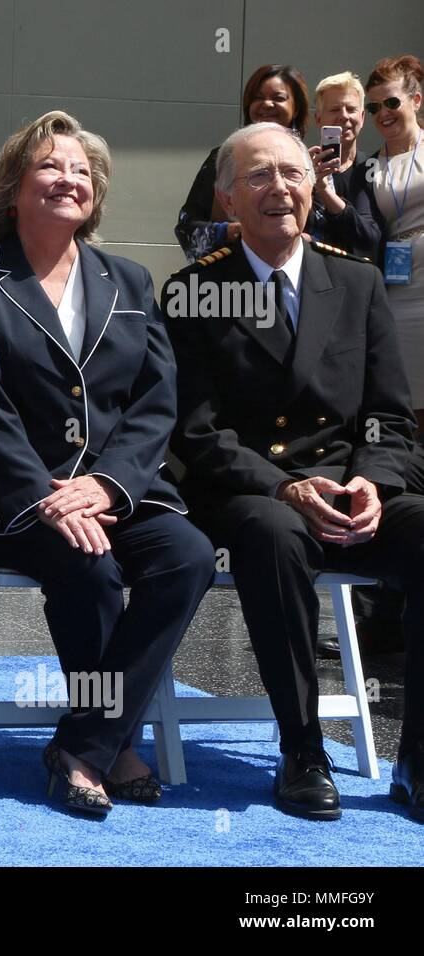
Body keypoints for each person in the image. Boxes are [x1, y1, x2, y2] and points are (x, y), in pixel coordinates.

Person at [0, 111, 215, 818]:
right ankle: (107, 746)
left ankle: (86, 741)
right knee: (88, 569)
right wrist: (46, 495)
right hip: (17, 497)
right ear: (11, 186)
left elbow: (157, 400)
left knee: (185, 555)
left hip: (117, 489)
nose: (69, 179)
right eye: (50, 167)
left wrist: (105, 485)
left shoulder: (127, 280)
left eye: (82, 171)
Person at [162, 121, 424, 824]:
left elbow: (390, 414)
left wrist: (376, 480)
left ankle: (418, 759)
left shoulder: (358, 281)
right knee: (275, 536)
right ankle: (303, 749)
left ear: (314, 186)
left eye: (292, 173)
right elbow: (193, 430)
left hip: (349, 488)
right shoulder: (195, 293)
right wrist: (283, 484)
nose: (280, 188)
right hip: (253, 493)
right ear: (226, 200)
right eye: (259, 176)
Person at [175, 64, 309, 260]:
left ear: (296, 108)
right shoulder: (224, 159)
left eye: (278, 98)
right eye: (258, 98)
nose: (267, 104)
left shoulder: (310, 161)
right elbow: (187, 226)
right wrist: (227, 232)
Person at [366, 55, 424, 426]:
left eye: (391, 102)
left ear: (416, 101)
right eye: (374, 107)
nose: (382, 113)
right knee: (411, 396)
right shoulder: (368, 168)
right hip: (400, 292)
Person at [307, 71, 384, 262]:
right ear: (318, 119)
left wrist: (324, 190)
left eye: (351, 109)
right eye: (334, 110)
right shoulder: (302, 169)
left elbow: (368, 237)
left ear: (363, 117)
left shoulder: (373, 169)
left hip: (361, 280)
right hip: (314, 278)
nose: (344, 116)